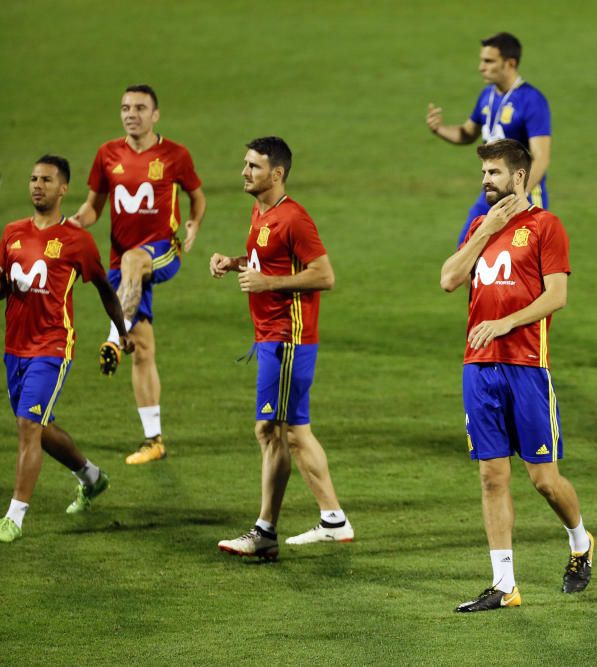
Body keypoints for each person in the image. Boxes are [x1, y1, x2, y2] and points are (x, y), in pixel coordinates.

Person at [440, 138, 592, 613]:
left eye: (494, 172)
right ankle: (504, 584)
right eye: (483, 172)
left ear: (520, 177)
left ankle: (581, 541)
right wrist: (486, 232)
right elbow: (448, 279)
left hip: (527, 366)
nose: (485, 180)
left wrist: (506, 322)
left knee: (543, 479)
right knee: (491, 476)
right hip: (478, 367)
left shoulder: (547, 227)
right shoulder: (478, 226)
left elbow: (557, 296)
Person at [211, 136, 353, 560]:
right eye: (245, 164)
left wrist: (267, 284)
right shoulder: (261, 212)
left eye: (253, 166)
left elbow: (324, 276)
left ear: (277, 173)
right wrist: (235, 262)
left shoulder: (293, 218)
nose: (244, 172)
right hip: (272, 339)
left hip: (289, 340)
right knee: (284, 430)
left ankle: (274, 529)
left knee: (278, 431)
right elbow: (268, 260)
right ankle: (325, 521)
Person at [71, 84, 206, 464]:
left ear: (155, 115)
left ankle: (114, 337)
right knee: (142, 349)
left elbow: (197, 194)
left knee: (134, 259)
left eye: (140, 108)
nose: (132, 113)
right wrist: (76, 222)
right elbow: (93, 207)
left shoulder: (175, 155)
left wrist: (194, 223)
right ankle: (154, 440)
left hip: (163, 252)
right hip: (121, 267)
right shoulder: (107, 155)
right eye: (126, 107)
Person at [0, 156, 132, 543]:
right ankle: (91, 477)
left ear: (63, 189)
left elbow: (106, 289)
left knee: (27, 426)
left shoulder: (76, 240)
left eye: (46, 180)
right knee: (38, 427)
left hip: (53, 346)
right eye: (33, 178)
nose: (37, 185)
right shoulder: (11, 233)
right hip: (15, 347)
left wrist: (121, 332)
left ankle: (14, 517)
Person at [427, 32, 551, 247]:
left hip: (524, 196)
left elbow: (541, 158)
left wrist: (518, 197)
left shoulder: (532, 100)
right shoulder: (487, 96)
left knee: (523, 267)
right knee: (465, 256)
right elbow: (467, 133)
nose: (481, 67)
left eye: (489, 61)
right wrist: (440, 129)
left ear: (510, 63)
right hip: (491, 192)